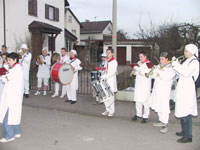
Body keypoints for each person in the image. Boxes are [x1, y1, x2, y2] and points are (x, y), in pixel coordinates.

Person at [172, 44, 199, 143]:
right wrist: (175, 67)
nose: (184, 53)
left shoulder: (194, 62)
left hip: (188, 89)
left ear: (192, 52)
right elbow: (180, 73)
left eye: (186, 51)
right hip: (183, 88)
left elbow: (186, 73)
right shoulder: (187, 61)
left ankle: (188, 136)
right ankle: (184, 131)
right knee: (182, 110)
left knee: (186, 112)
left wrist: (177, 65)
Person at [148, 52, 176, 133]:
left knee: (164, 106)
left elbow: (166, 78)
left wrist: (159, 72)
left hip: (164, 90)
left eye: (162, 59)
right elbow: (154, 76)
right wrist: (153, 72)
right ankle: (161, 120)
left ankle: (165, 123)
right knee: (157, 105)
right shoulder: (160, 66)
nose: (161, 61)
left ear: (167, 59)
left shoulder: (170, 67)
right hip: (157, 89)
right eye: (160, 59)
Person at [0, 52, 24, 143]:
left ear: (15, 60)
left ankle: (9, 135)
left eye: (10, 60)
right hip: (15, 95)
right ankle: (17, 132)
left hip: (12, 96)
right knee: (15, 115)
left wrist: (2, 76)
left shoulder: (15, 70)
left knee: (8, 116)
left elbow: (5, 79)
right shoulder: (18, 68)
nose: (8, 61)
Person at [131, 51, 153, 123]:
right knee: (138, 100)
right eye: (139, 57)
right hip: (138, 85)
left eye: (141, 57)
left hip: (145, 85)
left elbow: (146, 73)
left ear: (145, 56)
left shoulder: (149, 64)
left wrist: (138, 69)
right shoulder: (139, 63)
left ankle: (145, 116)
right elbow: (136, 73)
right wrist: (134, 70)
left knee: (145, 101)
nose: (140, 58)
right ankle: (138, 114)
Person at [100, 48, 118, 117]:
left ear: (112, 53)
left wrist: (104, 76)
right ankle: (107, 109)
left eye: (109, 52)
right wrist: (101, 74)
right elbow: (105, 70)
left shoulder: (114, 62)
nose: (108, 54)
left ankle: (112, 111)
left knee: (110, 97)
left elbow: (112, 73)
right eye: (107, 52)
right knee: (105, 96)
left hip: (110, 81)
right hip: (105, 80)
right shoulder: (107, 61)